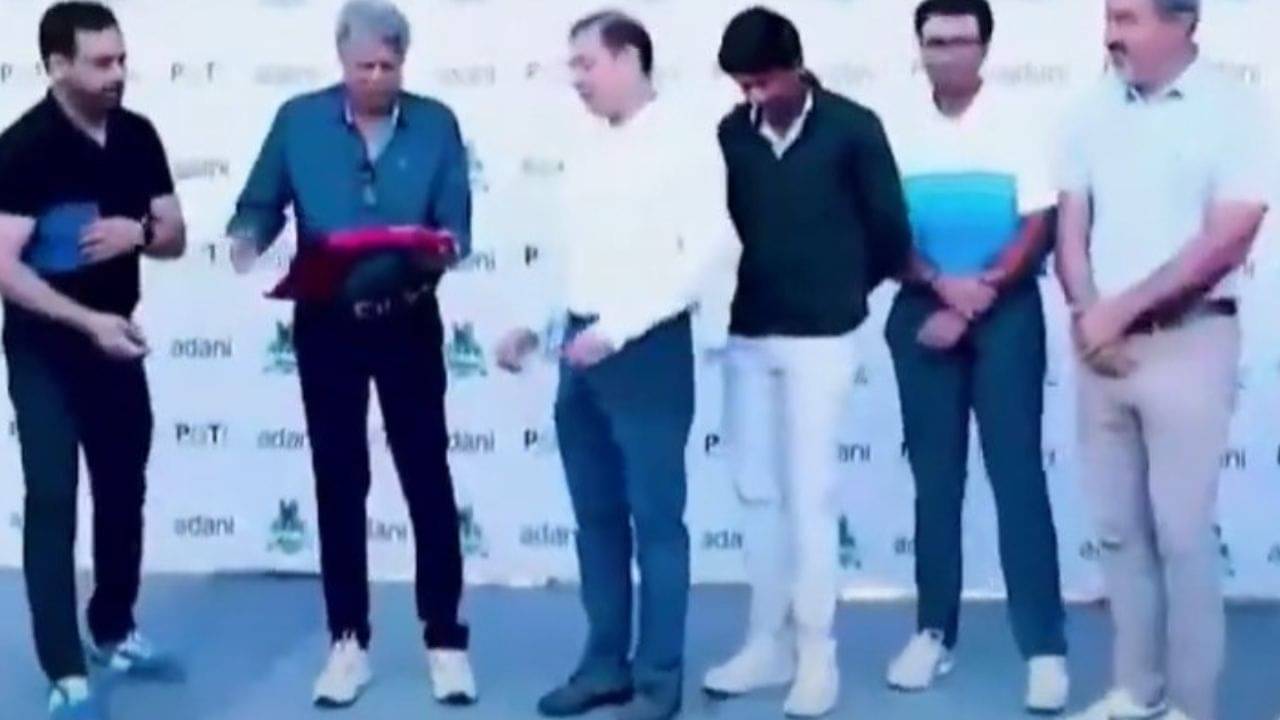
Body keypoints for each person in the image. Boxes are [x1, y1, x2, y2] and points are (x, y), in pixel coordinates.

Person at [225, 0, 476, 709]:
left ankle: (446, 641)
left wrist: (442, 248)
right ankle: (347, 641)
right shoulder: (298, 121)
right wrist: (246, 240)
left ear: (405, 62)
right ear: (339, 59)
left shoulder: (437, 124)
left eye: (387, 67)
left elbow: (456, 223)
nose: (374, 78)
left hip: (408, 319)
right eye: (362, 66)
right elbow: (259, 203)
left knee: (427, 477)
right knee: (338, 481)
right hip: (327, 324)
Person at [495, 10, 739, 720]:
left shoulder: (685, 141)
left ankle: (659, 678)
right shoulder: (586, 145)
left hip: (648, 350)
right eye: (572, 65)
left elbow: (709, 252)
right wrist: (535, 324)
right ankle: (603, 664)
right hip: (580, 350)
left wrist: (619, 329)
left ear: (630, 59)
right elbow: (575, 253)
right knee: (595, 517)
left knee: (656, 521)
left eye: (587, 64)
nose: (576, 79)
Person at [1057, 1, 1270, 718]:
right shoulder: (1089, 109)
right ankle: (1136, 691)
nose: (1111, 34)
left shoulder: (1233, 109)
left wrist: (1120, 312)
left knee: (1182, 534)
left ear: (1182, 24)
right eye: (1108, 18)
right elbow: (1072, 225)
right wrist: (1089, 313)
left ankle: (1190, 704)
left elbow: (1229, 236)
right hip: (1099, 350)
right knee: (1118, 531)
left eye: (1128, 19)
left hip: (1191, 342)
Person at [701, 7, 912, 718]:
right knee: (756, 492)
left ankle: (818, 655)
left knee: (811, 495)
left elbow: (890, 232)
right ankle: (768, 644)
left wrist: (842, 290)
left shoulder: (854, 128)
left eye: (763, 82)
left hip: (823, 339)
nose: (754, 97)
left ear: (796, 67)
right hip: (747, 335)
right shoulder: (730, 134)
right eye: (742, 85)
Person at [879, 0, 1068, 712]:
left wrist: (976, 296)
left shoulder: (1023, 120)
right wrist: (940, 287)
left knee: (1017, 478)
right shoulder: (894, 127)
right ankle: (933, 632)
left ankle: (1044, 649)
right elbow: (884, 229)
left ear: (985, 47)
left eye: (962, 41)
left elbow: (1038, 222)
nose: (948, 53)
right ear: (919, 48)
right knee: (935, 482)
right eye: (935, 42)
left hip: (1004, 310)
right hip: (923, 307)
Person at [0, 2, 187, 718]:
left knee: (122, 486)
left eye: (121, 59)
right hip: (47, 348)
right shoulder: (24, 148)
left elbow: (173, 233)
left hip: (117, 339)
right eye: (101, 63)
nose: (117, 74)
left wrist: (138, 233)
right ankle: (65, 670)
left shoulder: (138, 135)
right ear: (57, 66)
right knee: (53, 497)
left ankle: (113, 626)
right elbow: (4, 266)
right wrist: (87, 323)